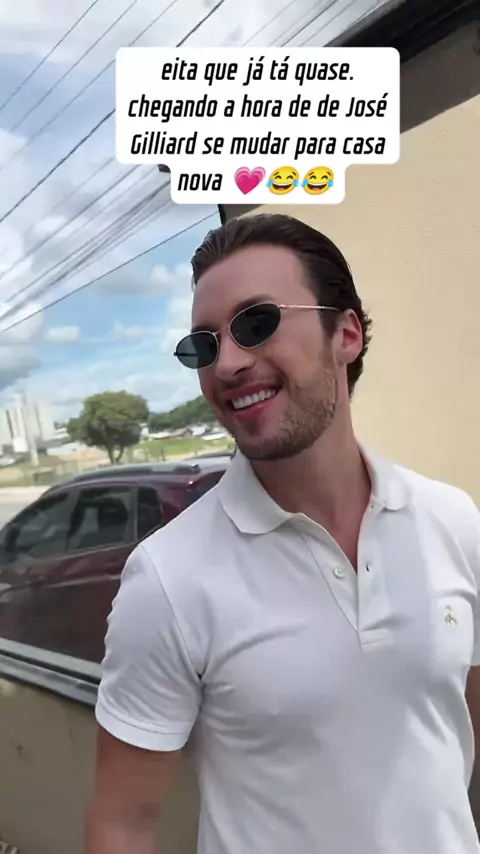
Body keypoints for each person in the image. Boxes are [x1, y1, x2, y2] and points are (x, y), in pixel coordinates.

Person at [86, 213, 480, 854]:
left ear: (345, 333)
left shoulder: (453, 521)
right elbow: (123, 824)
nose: (227, 363)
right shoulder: (167, 579)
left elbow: (458, 726)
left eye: (256, 322)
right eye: (204, 346)